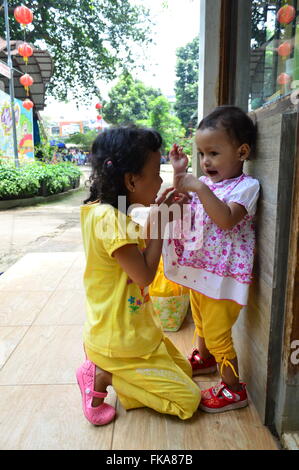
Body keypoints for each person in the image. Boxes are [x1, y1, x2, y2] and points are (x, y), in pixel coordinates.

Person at [76, 125, 201, 426]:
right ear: (131, 180)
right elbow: (144, 276)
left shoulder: (104, 211)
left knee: (184, 371)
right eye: (157, 172)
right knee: (189, 400)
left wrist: (160, 213)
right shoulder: (112, 220)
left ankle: (109, 368)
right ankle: (103, 373)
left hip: (134, 331)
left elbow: (135, 254)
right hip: (121, 341)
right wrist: (160, 222)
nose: (161, 180)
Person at [166, 105, 260, 413]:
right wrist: (181, 175)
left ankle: (233, 389)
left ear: (242, 151)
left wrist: (199, 189)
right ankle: (204, 359)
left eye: (214, 153)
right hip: (201, 271)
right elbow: (189, 203)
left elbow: (225, 220)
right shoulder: (209, 185)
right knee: (201, 322)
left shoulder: (246, 187)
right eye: (201, 153)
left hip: (223, 279)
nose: (205, 161)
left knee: (219, 334)